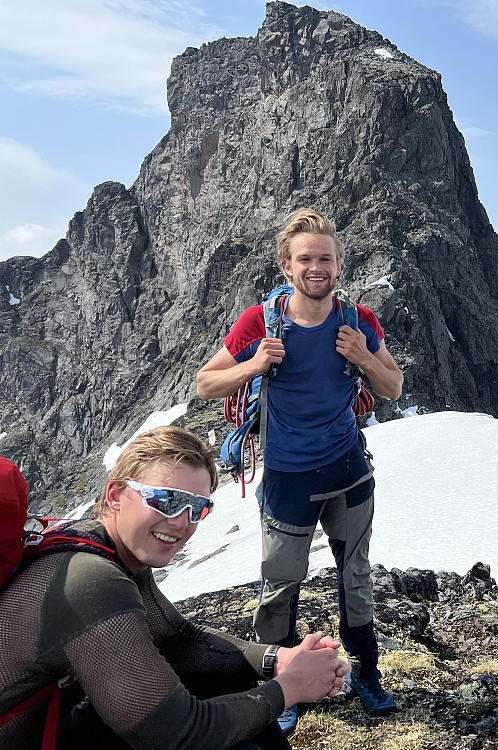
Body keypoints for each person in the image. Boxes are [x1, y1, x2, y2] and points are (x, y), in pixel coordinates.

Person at [0, 426, 349, 750]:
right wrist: (291, 688)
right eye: (165, 499)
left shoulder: (105, 545)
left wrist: (278, 660)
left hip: (55, 723)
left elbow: (177, 637)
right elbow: (177, 735)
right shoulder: (90, 579)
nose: (182, 521)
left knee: (221, 679)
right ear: (116, 494)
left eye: (198, 508)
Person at [197, 208, 404, 724]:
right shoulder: (260, 323)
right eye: (306, 259)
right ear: (287, 267)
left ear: (339, 264)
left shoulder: (357, 321)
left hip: (349, 471)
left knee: (355, 577)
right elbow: (206, 383)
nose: (318, 268)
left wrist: (364, 356)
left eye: (326, 259)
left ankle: (367, 675)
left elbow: (393, 386)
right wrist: (253, 364)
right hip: (288, 477)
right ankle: (283, 690)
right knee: (280, 587)